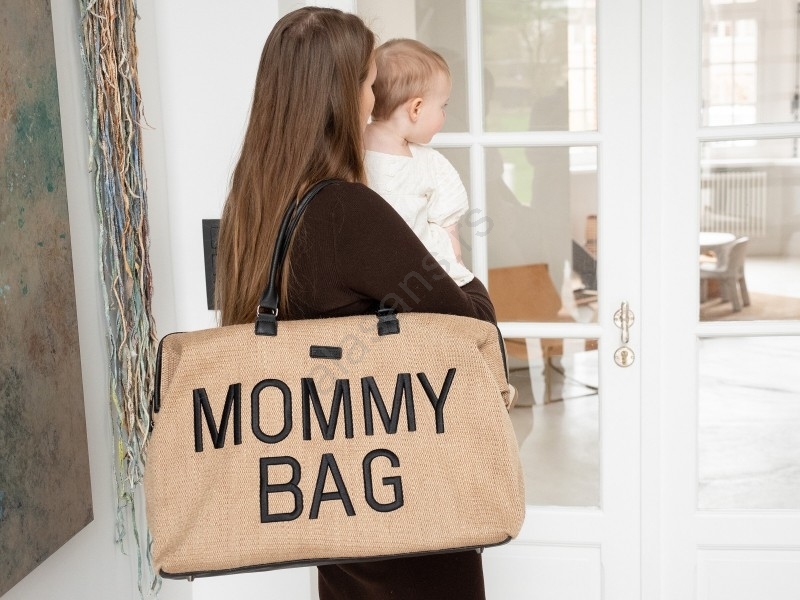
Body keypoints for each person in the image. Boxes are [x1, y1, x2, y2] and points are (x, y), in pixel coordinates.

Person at [214, 7, 495, 600]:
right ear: (343, 96)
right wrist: (453, 258)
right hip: (406, 510)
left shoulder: (254, 204)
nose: (373, 101)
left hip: (336, 505)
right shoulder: (346, 210)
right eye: (369, 84)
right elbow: (469, 328)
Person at [364, 38, 474, 287]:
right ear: (416, 109)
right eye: (443, 106)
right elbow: (449, 225)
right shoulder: (430, 163)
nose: (444, 114)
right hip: (420, 280)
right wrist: (457, 269)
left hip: (369, 278)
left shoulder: (351, 145)